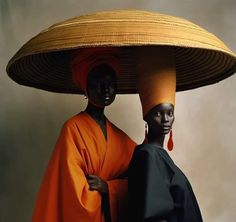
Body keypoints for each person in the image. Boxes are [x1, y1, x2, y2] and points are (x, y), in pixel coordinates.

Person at [31, 48, 136, 222]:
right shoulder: (72, 129)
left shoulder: (119, 136)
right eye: (98, 81)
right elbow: (75, 196)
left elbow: (141, 178)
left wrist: (109, 188)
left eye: (111, 82)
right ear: (85, 85)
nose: (106, 88)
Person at [128, 47, 203, 222]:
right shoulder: (148, 155)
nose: (165, 120)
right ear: (146, 117)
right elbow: (152, 216)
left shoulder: (160, 156)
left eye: (170, 113)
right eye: (158, 113)